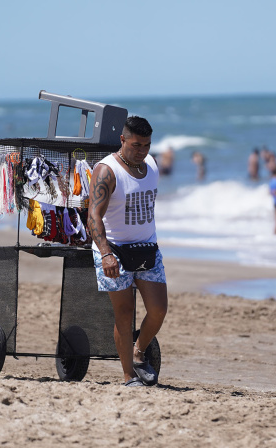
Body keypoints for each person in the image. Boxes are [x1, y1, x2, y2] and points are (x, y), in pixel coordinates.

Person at [87, 116, 167, 387]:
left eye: (146, 145)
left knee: (158, 310)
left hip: (147, 247)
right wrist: (106, 253)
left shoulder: (152, 164)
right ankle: (127, 376)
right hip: (115, 251)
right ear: (122, 140)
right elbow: (93, 216)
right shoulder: (107, 171)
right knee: (124, 312)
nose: (142, 151)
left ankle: (138, 351)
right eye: (136, 145)